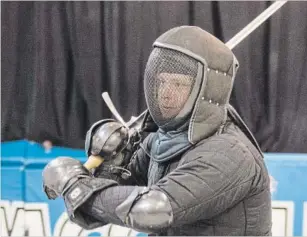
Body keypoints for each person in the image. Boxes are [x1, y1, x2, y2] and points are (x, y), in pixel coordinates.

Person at [42, 26, 272, 236]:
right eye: (162, 82)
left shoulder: (228, 154)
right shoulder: (161, 140)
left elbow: (151, 210)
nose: (166, 93)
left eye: (179, 84)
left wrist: (74, 186)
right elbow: (104, 207)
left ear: (206, 91)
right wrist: (110, 166)